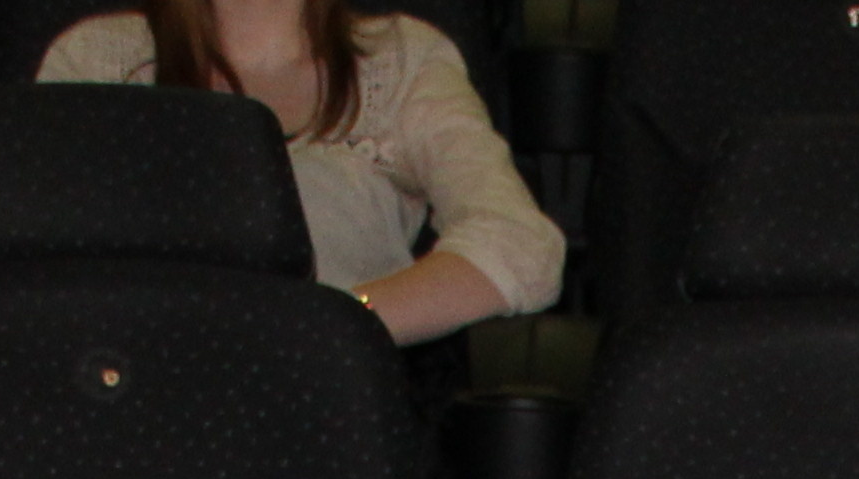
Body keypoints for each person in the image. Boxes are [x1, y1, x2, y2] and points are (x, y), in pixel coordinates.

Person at [34, 0, 563, 339]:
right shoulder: (95, 59)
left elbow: (521, 247)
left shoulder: (402, 59)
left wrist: (330, 325)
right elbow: (44, 263)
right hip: (136, 400)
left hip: (317, 413)